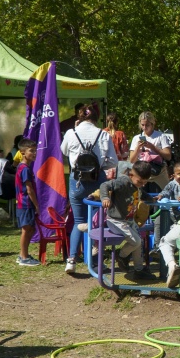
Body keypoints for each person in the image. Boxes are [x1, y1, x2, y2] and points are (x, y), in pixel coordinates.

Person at [61, 103, 118, 274]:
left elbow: (64, 151)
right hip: (97, 183)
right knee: (97, 222)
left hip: (76, 181)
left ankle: (71, 260)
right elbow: (113, 162)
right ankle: (94, 262)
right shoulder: (103, 134)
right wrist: (101, 163)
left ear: (79, 117)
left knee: (78, 222)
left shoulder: (71, 133)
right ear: (96, 118)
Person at [99, 161, 155, 280]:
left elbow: (140, 193)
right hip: (115, 220)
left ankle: (138, 270)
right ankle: (121, 255)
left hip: (128, 220)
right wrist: (105, 197)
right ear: (131, 175)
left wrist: (151, 198)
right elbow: (105, 185)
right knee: (136, 242)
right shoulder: (123, 182)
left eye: (145, 182)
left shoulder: (137, 185)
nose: (142, 184)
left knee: (139, 244)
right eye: (140, 181)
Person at [128, 111, 172, 192]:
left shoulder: (161, 136)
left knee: (166, 193)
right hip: (141, 172)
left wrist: (153, 147)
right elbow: (132, 160)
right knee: (139, 197)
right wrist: (138, 148)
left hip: (158, 172)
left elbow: (168, 156)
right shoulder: (136, 138)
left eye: (147, 125)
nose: (144, 128)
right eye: (142, 125)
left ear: (152, 124)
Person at [14, 139, 41, 266]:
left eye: (35, 151)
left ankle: (22, 254)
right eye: (31, 151)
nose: (34, 153)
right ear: (22, 152)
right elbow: (29, 190)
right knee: (26, 230)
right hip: (25, 204)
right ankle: (24, 257)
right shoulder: (25, 169)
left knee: (31, 229)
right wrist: (36, 205)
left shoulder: (24, 167)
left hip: (24, 204)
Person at [104, 112, 128, 177]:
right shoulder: (120, 134)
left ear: (107, 121)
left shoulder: (102, 133)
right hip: (117, 167)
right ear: (117, 122)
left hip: (104, 166)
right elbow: (124, 154)